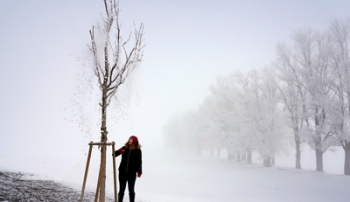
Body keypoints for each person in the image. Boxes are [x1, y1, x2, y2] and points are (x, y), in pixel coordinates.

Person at [114, 136, 142, 202]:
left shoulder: (138, 151)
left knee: (131, 191)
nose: (130, 140)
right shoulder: (124, 148)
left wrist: (139, 171)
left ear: (135, 142)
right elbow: (114, 154)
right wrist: (119, 152)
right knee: (121, 190)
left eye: (132, 139)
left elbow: (139, 161)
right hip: (122, 173)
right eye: (129, 139)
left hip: (132, 174)